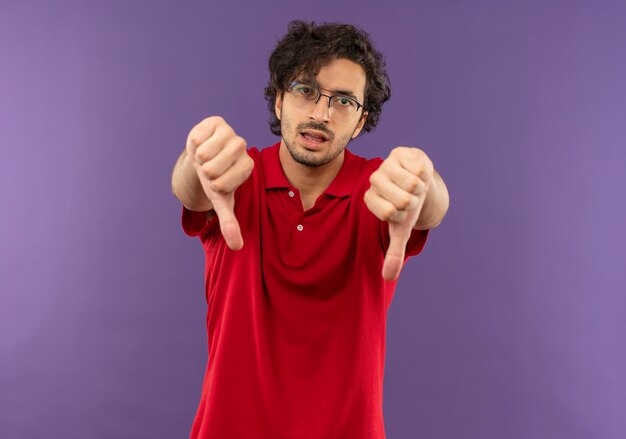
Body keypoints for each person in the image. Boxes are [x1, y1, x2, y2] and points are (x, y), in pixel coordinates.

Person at [171, 20, 449, 439]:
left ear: (361, 122)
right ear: (280, 101)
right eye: (305, 91)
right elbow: (192, 190)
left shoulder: (378, 188)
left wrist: (426, 186)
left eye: (343, 101)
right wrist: (196, 160)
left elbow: (427, 204)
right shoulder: (234, 177)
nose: (321, 113)